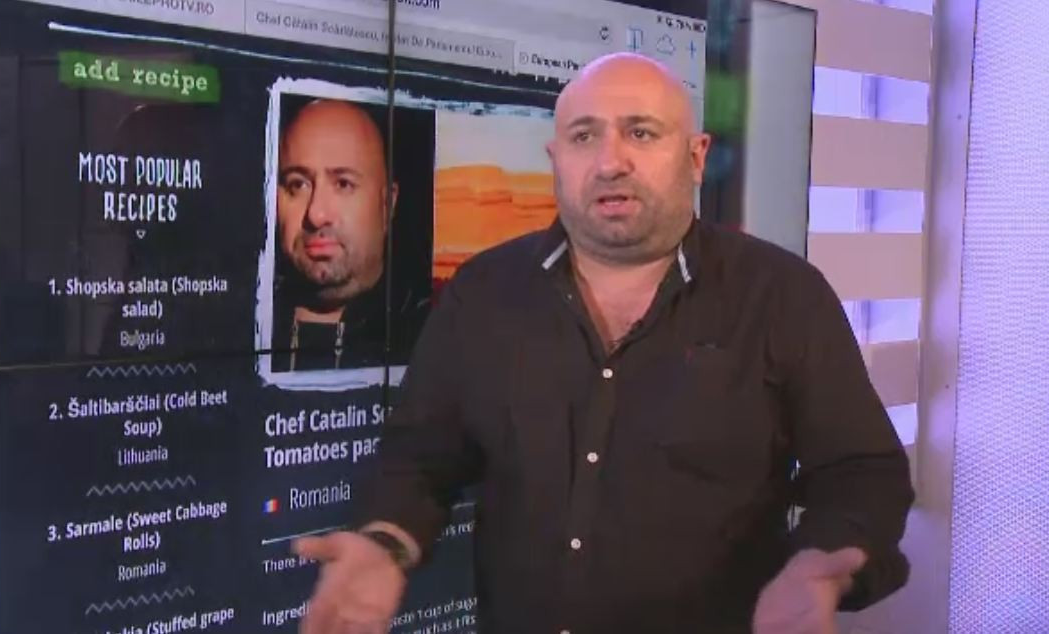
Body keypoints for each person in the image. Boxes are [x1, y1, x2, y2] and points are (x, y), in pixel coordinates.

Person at [293, 53, 914, 633]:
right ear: (555, 157)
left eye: (641, 133)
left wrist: (819, 561)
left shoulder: (781, 295)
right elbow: (418, 458)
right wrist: (385, 542)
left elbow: (861, 472)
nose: (610, 162)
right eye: (584, 136)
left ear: (696, 157)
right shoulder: (483, 292)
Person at [271, 98, 425, 371]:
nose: (316, 214)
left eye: (343, 184)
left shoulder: (429, 333)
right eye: (298, 184)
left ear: (387, 204)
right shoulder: (237, 319)